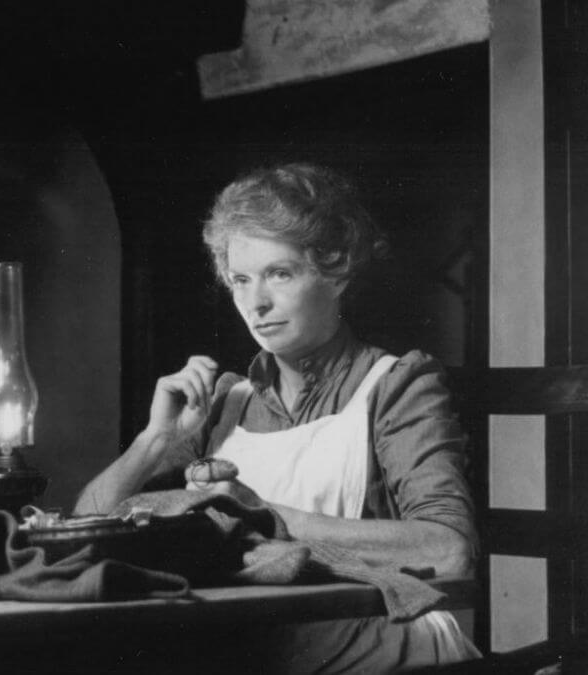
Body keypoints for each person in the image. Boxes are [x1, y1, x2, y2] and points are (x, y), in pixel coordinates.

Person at [76, 163, 480, 672]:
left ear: (337, 271)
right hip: (262, 644)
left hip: (377, 640)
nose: (256, 303)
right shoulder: (224, 400)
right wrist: (154, 441)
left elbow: (449, 552)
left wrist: (261, 515)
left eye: (279, 273)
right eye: (240, 280)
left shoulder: (395, 387)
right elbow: (82, 537)